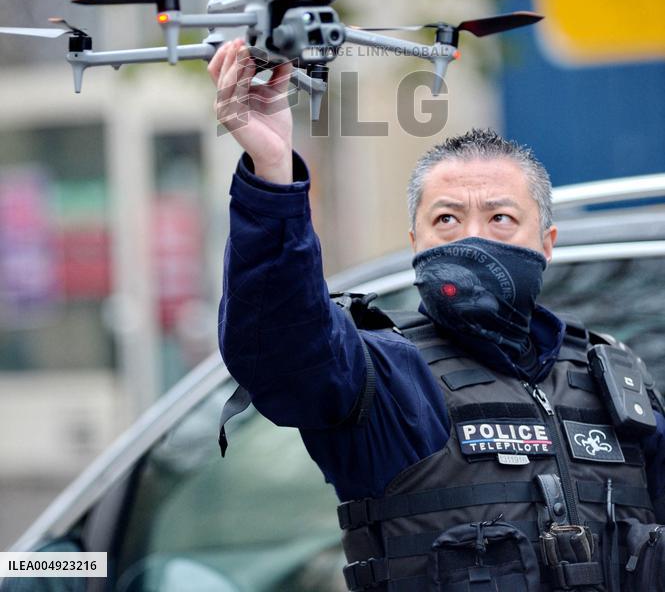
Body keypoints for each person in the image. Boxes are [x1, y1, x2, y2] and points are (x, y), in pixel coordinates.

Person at [210, 39, 665, 592]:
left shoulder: (617, 387)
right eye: (447, 219)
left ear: (546, 242)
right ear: (415, 242)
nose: (473, 238)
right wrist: (273, 168)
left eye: (500, 217)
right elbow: (285, 344)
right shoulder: (390, 379)